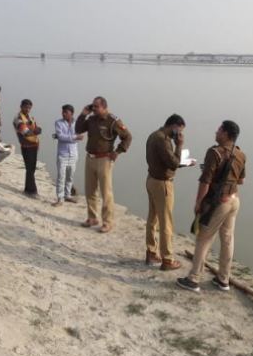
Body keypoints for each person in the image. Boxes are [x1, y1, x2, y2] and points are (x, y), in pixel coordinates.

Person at [177, 120, 246, 293]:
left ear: (226, 133)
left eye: (219, 129)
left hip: (219, 202)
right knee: (227, 239)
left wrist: (199, 203)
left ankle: (193, 279)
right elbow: (241, 180)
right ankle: (223, 279)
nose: (216, 132)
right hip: (234, 200)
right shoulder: (240, 154)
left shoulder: (215, 152)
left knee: (204, 238)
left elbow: (205, 181)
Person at [75, 96, 132, 233]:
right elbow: (78, 129)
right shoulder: (92, 119)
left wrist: (118, 152)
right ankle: (92, 218)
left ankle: (107, 222)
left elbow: (127, 137)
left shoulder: (113, 121)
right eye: (93, 106)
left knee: (106, 193)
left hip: (104, 159)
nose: (93, 108)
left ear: (104, 107)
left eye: (96, 106)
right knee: (90, 190)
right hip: (90, 158)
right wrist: (83, 114)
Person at [145, 114, 191, 271]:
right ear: (174, 126)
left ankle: (151, 252)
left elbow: (163, 161)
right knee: (166, 222)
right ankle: (167, 260)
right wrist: (179, 145)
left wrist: (179, 161)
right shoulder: (163, 140)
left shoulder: (153, 135)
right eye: (180, 130)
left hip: (152, 179)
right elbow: (173, 163)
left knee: (153, 218)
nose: (180, 134)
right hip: (162, 184)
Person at [52, 104, 83, 206]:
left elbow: (80, 136)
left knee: (70, 176)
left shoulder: (77, 123)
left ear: (71, 113)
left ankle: (67, 195)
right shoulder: (58, 123)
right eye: (63, 112)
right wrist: (75, 137)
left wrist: (72, 137)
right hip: (63, 154)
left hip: (73, 154)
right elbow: (61, 137)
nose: (63, 114)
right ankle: (60, 198)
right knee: (61, 177)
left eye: (66, 112)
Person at [13, 99, 41, 197]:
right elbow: (25, 132)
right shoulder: (18, 118)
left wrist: (35, 130)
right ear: (21, 106)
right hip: (26, 146)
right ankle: (32, 191)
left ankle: (28, 189)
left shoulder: (30, 117)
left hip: (34, 145)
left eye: (29, 108)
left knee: (32, 168)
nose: (28, 109)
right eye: (26, 107)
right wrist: (35, 130)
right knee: (29, 168)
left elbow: (37, 128)